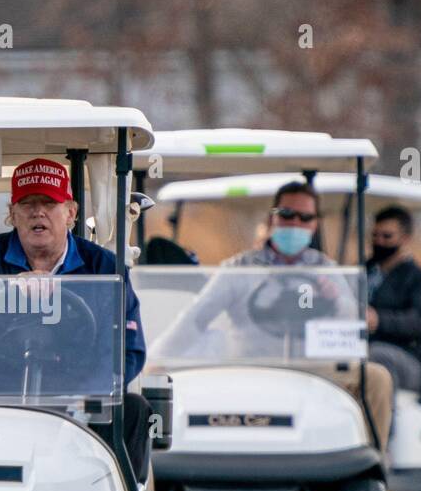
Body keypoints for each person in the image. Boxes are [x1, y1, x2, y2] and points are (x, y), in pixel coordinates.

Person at [153, 180, 394, 444]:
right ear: (272, 219)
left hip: (311, 367)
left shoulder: (325, 269)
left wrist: (335, 300)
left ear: (314, 224)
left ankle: (370, 468)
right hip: (252, 363)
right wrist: (157, 357)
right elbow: (196, 316)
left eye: (305, 217)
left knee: (377, 378)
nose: (295, 224)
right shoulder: (240, 268)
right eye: (287, 215)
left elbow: (351, 327)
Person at [0, 158, 152, 482]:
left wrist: (83, 392)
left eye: (49, 203)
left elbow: (127, 350)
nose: (39, 213)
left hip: (80, 389)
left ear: (71, 213)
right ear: (12, 213)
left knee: (132, 409)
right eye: (28, 204)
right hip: (5, 386)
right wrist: (10, 292)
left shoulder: (105, 267)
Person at [365, 205, 421, 394]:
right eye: (375, 235)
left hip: (408, 359)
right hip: (361, 347)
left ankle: (381, 422)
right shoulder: (363, 271)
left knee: (375, 356)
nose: (379, 241)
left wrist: (378, 321)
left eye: (387, 236)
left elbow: (420, 321)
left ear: (405, 238)